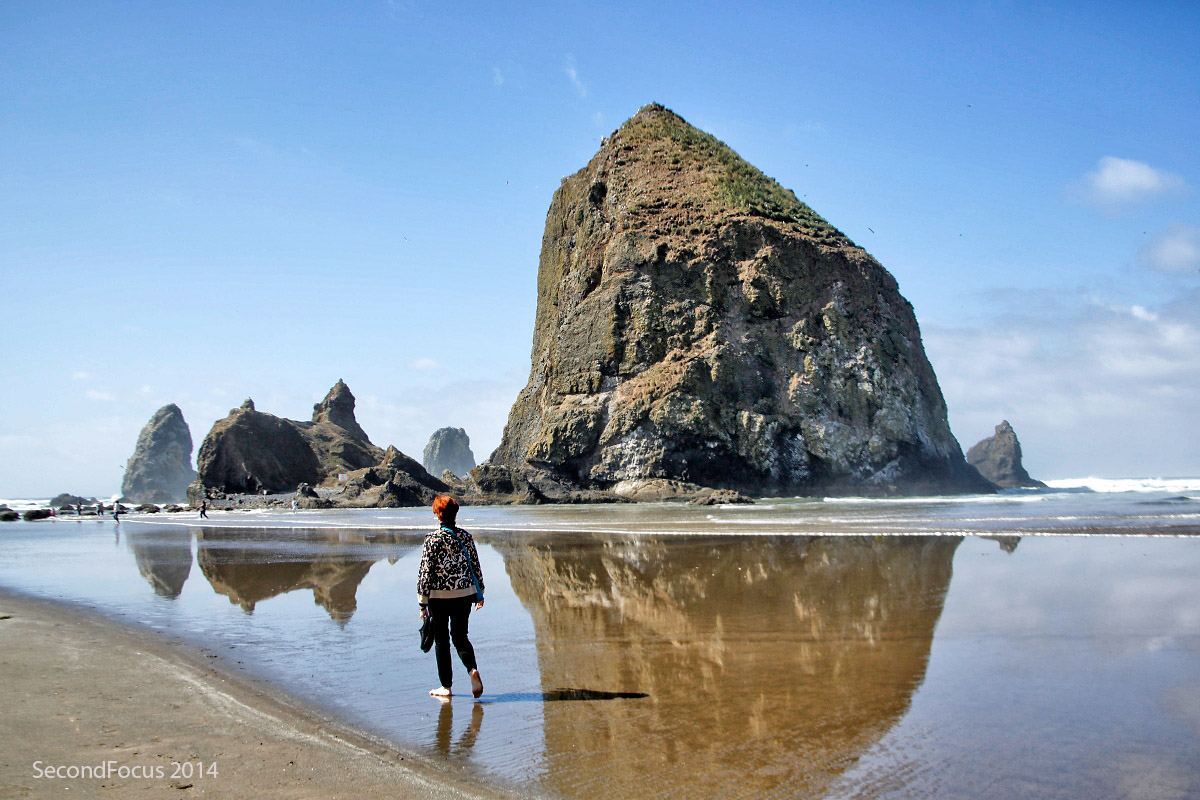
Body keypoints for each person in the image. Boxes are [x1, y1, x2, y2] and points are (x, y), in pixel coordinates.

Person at [417, 495, 484, 700]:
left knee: (441, 641)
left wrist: (422, 603)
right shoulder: (466, 537)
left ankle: (446, 686)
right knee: (460, 636)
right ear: (455, 514)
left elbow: (425, 572)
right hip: (463, 595)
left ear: (438, 515)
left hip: (438, 597)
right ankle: (471, 669)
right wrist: (479, 592)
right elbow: (475, 566)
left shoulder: (432, 539)